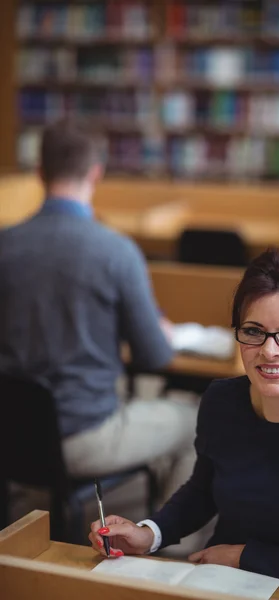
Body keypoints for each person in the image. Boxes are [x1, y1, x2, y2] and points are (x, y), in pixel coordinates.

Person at [89, 247, 279, 593]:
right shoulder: (222, 400)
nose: (269, 350)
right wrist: (148, 534)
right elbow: (203, 490)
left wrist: (244, 557)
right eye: (253, 331)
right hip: (224, 583)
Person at [0, 120, 197, 496]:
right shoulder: (115, 251)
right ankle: (166, 545)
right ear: (96, 173)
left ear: (39, 172)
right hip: (81, 435)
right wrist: (159, 330)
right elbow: (155, 356)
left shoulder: (5, 244)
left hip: (9, 431)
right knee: (199, 423)